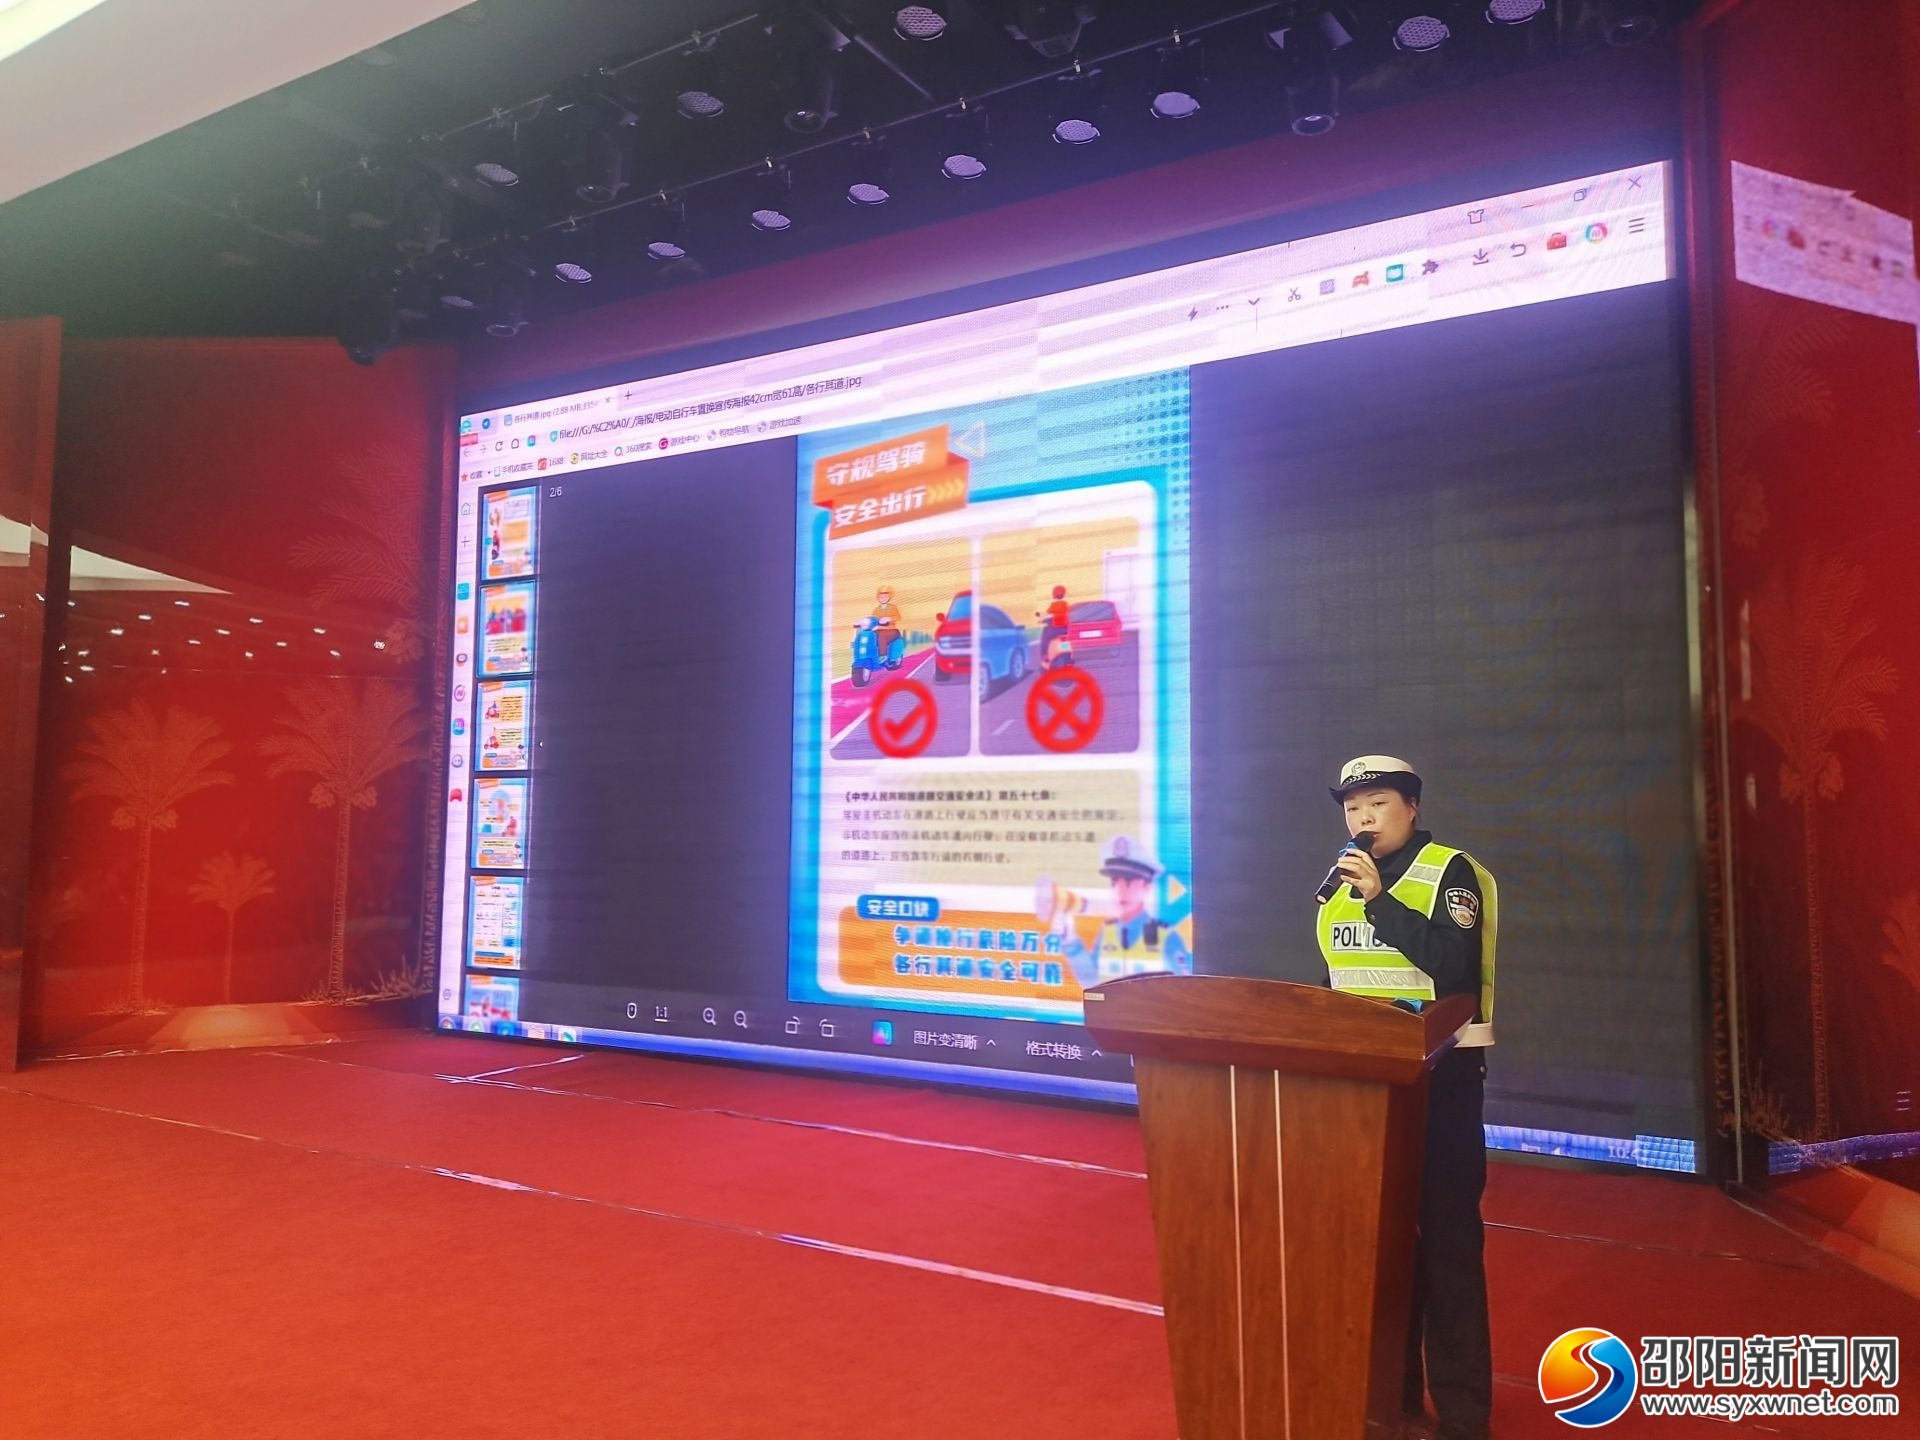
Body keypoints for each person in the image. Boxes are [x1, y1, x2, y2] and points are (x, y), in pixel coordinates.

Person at [1318, 755, 1497, 1440]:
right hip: (1364, 1088)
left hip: (1441, 1084)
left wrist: (1380, 903)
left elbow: (1455, 968)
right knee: (1381, 1249)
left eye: (1378, 804)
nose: (1363, 819)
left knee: (1447, 1244)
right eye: (1352, 808)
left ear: (1413, 807)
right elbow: (1338, 980)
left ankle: (1464, 1418)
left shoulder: (1448, 873)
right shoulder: (1340, 885)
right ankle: (1389, 1402)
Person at [1050, 835, 1192, 988]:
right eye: (1115, 882)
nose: (1120, 891)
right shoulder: (1107, 932)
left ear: (1147, 887)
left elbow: (1185, 988)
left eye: (1129, 882)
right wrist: (1071, 941)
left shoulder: (1166, 937)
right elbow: (1091, 983)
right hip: (1109, 1004)